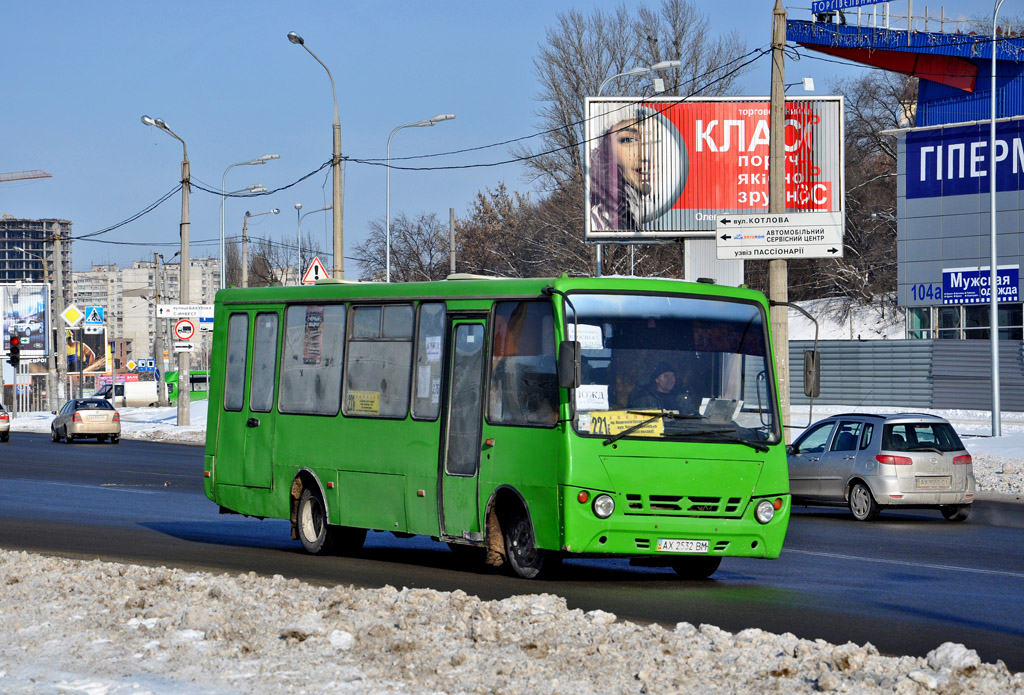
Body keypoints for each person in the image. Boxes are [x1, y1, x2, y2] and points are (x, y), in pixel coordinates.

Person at [590, 115, 651, 232]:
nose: (646, 154)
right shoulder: (602, 215)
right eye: (629, 140)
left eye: (654, 140)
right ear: (608, 151)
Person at [627, 362, 696, 414]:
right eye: (666, 376)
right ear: (656, 379)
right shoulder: (645, 398)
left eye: (673, 376)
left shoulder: (682, 396)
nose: (670, 379)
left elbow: (692, 416)